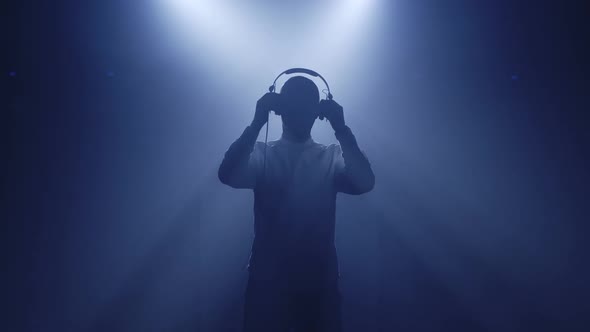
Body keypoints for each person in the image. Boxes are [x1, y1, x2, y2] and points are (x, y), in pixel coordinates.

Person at [218, 76, 375, 332]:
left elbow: (365, 182)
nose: (300, 112)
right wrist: (257, 122)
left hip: (312, 284)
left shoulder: (332, 155)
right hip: (273, 284)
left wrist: (342, 128)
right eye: (294, 104)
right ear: (280, 109)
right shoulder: (262, 154)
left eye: (305, 105)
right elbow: (227, 175)